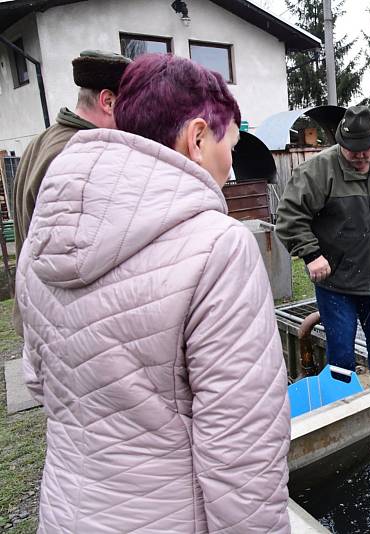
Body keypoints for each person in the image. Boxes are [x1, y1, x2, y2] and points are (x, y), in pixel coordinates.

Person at [16, 54, 290, 533]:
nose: (232, 160)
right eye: (232, 140)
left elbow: (39, 380)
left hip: (66, 511)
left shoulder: (45, 234)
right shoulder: (218, 247)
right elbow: (241, 452)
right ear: (198, 137)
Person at [276, 105, 370, 386]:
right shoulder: (317, 171)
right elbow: (288, 217)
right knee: (342, 356)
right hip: (335, 283)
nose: (360, 157)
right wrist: (311, 254)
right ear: (341, 143)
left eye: (366, 151)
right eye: (352, 151)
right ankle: (343, 407)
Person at [11, 50, 130, 335]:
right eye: (132, 104)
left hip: (40, 312)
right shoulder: (77, 155)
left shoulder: (45, 138)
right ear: (109, 101)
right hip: (62, 324)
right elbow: (75, 257)